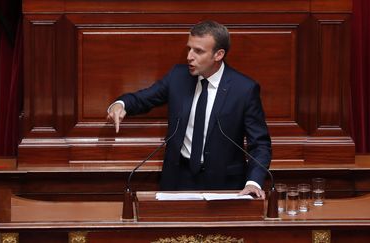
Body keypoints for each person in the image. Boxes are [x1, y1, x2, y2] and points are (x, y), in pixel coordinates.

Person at [107, 20, 271, 198]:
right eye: (189, 48)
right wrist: (120, 104)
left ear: (219, 54)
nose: (189, 57)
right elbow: (143, 99)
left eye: (198, 51)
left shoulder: (244, 89)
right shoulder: (178, 77)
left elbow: (260, 144)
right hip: (178, 179)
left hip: (225, 183)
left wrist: (253, 182)